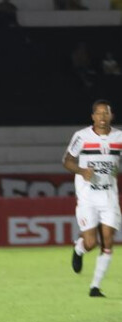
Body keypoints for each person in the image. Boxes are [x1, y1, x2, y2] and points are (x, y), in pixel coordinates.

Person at [63, 99, 122, 297]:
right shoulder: (81, 137)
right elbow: (67, 161)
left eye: (106, 113)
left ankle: (95, 287)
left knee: (108, 240)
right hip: (88, 197)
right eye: (98, 113)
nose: (102, 117)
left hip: (109, 196)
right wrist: (81, 170)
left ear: (111, 116)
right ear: (93, 117)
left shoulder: (119, 137)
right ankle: (79, 248)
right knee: (91, 243)